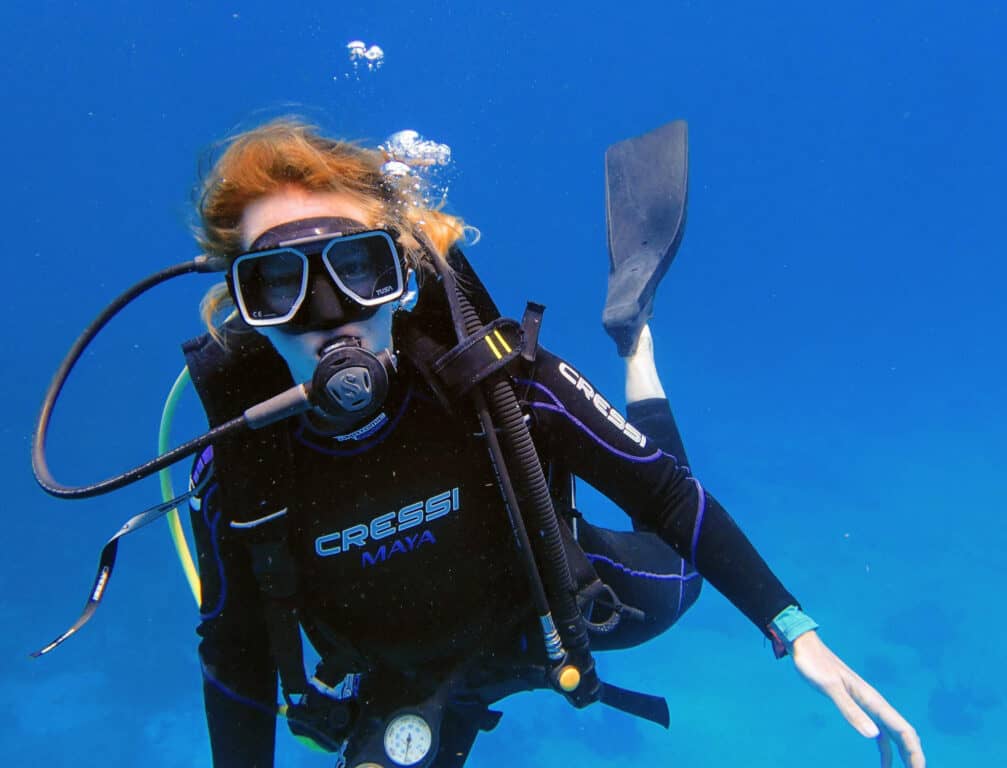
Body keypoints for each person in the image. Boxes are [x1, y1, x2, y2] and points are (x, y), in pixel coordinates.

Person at [184, 118, 925, 767]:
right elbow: (236, 651)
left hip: (552, 610)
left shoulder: (497, 381)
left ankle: (635, 346)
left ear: (404, 278)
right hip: (402, 678)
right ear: (246, 311)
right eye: (279, 284)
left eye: (358, 271)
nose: (328, 316)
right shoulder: (238, 470)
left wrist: (794, 629)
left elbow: (663, 493)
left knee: (682, 575)